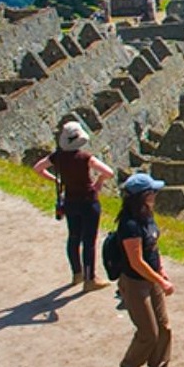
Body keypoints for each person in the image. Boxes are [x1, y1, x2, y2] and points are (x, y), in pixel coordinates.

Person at [114, 173, 184, 367]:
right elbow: (136, 262)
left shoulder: (146, 215)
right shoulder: (130, 224)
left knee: (164, 328)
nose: (156, 194)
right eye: (152, 191)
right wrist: (161, 282)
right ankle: (129, 366)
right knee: (148, 333)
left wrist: (160, 269)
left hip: (152, 278)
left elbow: (153, 247)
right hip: (135, 283)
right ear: (142, 196)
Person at [32, 120, 114, 291]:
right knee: (89, 241)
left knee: (73, 237)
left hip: (70, 201)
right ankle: (90, 279)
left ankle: (77, 274)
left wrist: (55, 180)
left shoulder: (57, 157)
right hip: (88, 201)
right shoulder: (85, 157)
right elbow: (109, 172)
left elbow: (38, 168)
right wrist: (99, 181)